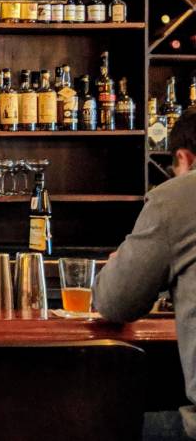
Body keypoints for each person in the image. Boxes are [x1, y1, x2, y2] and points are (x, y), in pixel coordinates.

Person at [95, 111, 196, 439]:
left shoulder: (177, 197)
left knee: (96, 428)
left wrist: (120, 265)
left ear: (183, 158)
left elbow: (115, 302)